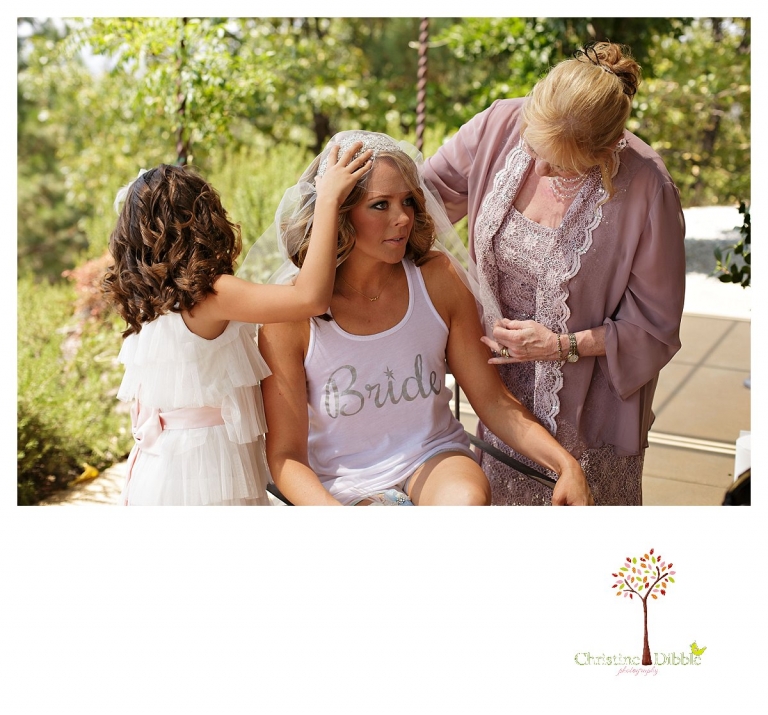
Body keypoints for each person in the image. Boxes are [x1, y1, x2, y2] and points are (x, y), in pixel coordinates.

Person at [246, 130, 594, 506]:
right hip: (343, 484)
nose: (403, 218)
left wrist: (565, 464)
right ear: (339, 213)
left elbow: (492, 401)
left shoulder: (437, 280)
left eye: (408, 201)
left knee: (465, 502)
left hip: (434, 456)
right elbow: (286, 457)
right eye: (380, 205)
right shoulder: (289, 318)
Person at [422, 41, 686, 505]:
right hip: (498, 396)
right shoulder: (500, 124)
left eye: (562, 165)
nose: (540, 168)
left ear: (606, 151)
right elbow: (419, 200)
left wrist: (560, 346)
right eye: (533, 146)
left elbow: (654, 327)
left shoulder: (648, 187)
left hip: (589, 413)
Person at [102, 149, 373, 505]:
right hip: (207, 469)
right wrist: (328, 201)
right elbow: (311, 299)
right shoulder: (213, 294)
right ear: (205, 219)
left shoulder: (150, 303)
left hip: (163, 469)